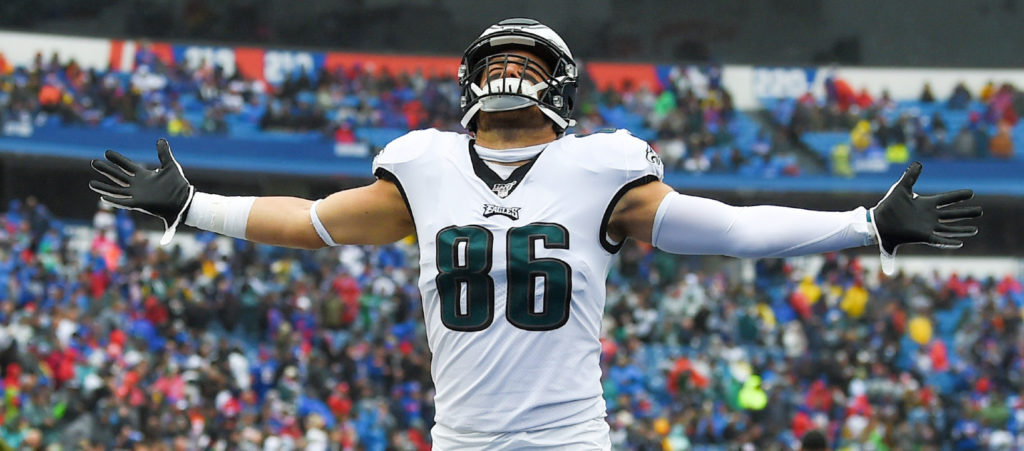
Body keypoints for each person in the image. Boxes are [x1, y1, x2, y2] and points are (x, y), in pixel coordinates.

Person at [89, 18, 982, 450]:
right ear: (469, 81)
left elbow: (731, 228)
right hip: (461, 438)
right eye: (498, 60)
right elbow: (314, 222)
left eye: (528, 61)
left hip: (568, 439)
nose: (510, 70)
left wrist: (863, 224)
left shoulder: (602, 168)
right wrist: (192, 205)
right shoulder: (424, 165)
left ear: (560, 86)